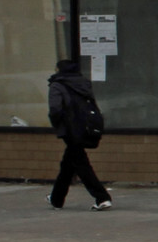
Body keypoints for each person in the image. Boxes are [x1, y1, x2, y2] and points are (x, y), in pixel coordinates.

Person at [47, 58, 112, 211]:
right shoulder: (83, 83)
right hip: (85, 127)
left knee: (81, 165)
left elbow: (55, 110)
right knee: (68, 164)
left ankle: (102, 197)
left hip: (70, 129)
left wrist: (58, 125)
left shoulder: (57, 85)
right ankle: (56, 198)